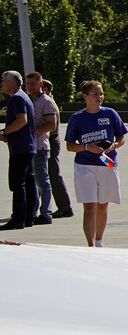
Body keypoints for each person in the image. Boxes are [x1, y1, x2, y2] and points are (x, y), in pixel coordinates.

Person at [63, 80, 127, 247]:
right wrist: (86, 147)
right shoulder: (77, 118)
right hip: (84, 166)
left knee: (103, 205)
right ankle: (90, 245)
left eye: (101, 93)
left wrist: (114, 145)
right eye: (95, 94)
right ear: (85, 97)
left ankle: (99, 241)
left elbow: (121, 138)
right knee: (89, 206)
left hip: (109, 163)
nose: (99, 97)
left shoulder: (110, 114)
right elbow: (70, 146)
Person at [0, 71, 37, 231]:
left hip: (21, 148)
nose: (1, 83)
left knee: (17, 183)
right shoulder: (23, 96)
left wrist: (5, 132)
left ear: (13, 82)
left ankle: (18, 219)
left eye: (4, 80)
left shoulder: (17, 98)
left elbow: (22, 120)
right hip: (27, 146)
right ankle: (28, 217)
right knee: (28, 182)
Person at [24, 72, 58, 224]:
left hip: (41, 147)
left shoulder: (46, 101)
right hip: (30, 146)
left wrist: (31, 130)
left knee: (43, 182)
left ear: (41, 84)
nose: (30, 87)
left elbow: (52, 124)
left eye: (33, 83)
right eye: (28, 84)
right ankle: (34, 211)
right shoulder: (29, 100)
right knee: (34, 182)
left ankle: (46, 213)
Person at [39, 78, 73, 219]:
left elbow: (51, 126)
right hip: (46, 140)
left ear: (47, 89)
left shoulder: (48, 103)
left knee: (53, 174)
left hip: (51, 140)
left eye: (42, 88)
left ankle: (65, 207)